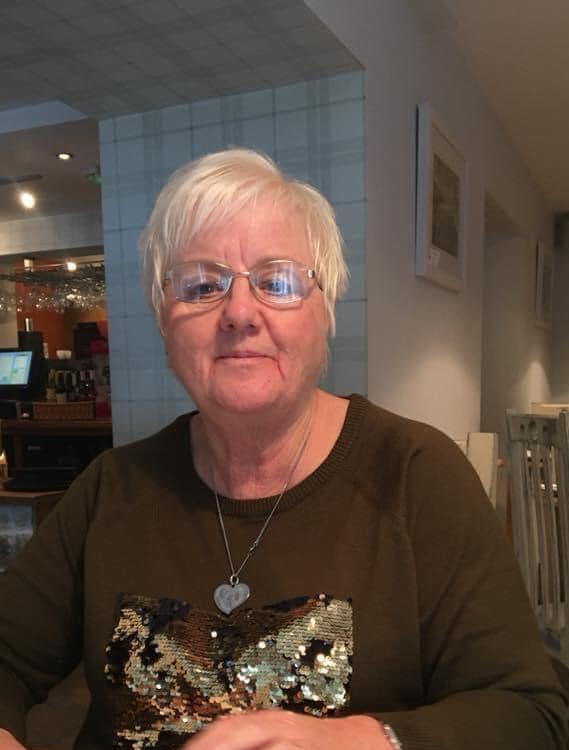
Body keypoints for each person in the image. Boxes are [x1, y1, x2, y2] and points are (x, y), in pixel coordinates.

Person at [0, 148, 566, 750]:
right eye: (203, 285)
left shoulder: (418, 476)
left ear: (326, 310)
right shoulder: (111, 488)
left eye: (277, 282)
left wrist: (361, 742)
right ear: (164, 319)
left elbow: (530, 714)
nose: (240, 312)